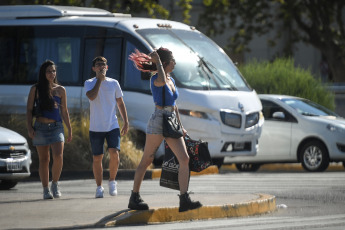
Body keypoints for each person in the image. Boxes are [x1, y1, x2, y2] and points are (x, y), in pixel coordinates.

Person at [128, 48, 202, 212]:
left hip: (171, 120)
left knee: (184, 159)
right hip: (158, 121)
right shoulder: (156, 78)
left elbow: (174, 106)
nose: (175, 63)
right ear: (165, 63)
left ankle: (184, 199)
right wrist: (158, 63)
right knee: (147, 160)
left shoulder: (171, 80)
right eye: (173, 60)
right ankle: (134, 196)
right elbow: (161, 78)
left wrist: (181, 126)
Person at [26, 60, 72, 199]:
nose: (52, 73)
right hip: (40, 127)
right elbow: (28, 110)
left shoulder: (61, 90)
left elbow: (64, 111)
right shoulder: (36, 89)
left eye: (53, 71)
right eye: (48, 71)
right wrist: (29, 127)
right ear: (43, 73)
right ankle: (45, 189)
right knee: (44, 159)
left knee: (58, 155)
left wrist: (69, 129)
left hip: (57, 127)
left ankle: (55, 183)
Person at [84, 56, 129, 198]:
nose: (101, 67)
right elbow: (91, 96)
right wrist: (99, 80)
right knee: (97, 157)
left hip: (112, 125)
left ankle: (112, 181)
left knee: (114, 153)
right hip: (96, 127)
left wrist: (126, 121)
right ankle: (99, 187)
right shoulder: (89, 83)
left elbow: (120, 103)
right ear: (94, 68)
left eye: (103, 65)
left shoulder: (114, 83)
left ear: (107, 67)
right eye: (98, 65)